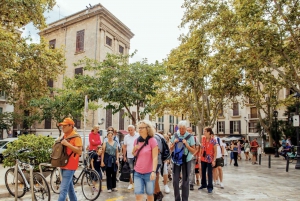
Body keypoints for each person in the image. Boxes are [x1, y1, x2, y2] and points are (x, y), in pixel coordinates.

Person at [57, 118, 82, 201]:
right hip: (63, 164)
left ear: (70, 126)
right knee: (70, 189)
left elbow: (79, 151)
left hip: (70, 165)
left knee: (63, 190)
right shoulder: (64, 136)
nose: (62, 127)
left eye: (64, 126)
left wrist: (67, 144)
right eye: (62, 126)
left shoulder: (76, 137)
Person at [132, 120, 158, 201]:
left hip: (149, 173)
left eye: (141, 128)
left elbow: (155, 157)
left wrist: (153, 172)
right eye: (138, 128)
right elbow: (134, 154)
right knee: (138, 195)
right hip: (137, 173)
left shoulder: (152, 141)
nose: (139, 130)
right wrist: (134, 149)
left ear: (147, 129)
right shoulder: (136, 141)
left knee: (150, 196)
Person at [170, 121, 195, 201]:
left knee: (185, 180)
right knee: (175, 181)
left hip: (186, 160)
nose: (181, 130)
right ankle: (177, 199)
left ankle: (185, 199)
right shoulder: (175, 135)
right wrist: (174, 143)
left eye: (183, 128)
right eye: (180, 128)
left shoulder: (190, 137)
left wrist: (187, 145)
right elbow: (170, 148)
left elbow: (193, 151)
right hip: (176, 160)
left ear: (186, 128)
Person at [198, 127, 216, 193]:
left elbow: (215, 151)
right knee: (203, 171)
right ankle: (203, 184)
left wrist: (214, 160)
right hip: (203, 157)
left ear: (209, 132)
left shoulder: (213, 140)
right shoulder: (203, 139)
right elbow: (201, 148)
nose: (203, 132)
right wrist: (199, 156)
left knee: (209, 173)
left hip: (210, 159)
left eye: (205, 131)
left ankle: (210, 187)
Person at [123, 125, 139, 190]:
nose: (130, 131)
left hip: (138, 156)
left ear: (134, 129)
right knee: (131, 170)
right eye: (129, 130)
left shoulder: (138, 135)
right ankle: (131, 183)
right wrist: (124, 156)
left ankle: (137, 184)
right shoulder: (126, 137)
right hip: (129, 156)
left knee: (137, 170)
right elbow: (124, 147)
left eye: (131, 130)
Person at [187, 127, 199, 191]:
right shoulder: (184, 138)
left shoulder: (195, 138)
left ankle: (191, 184)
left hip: (192, 157)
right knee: (184, 171)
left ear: (192, 131)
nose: (189, 131)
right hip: (185, 157)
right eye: (188, 130)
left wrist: (193, 155)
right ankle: (184, 183)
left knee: (192, 171)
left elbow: (197, 149)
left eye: (190, 130)